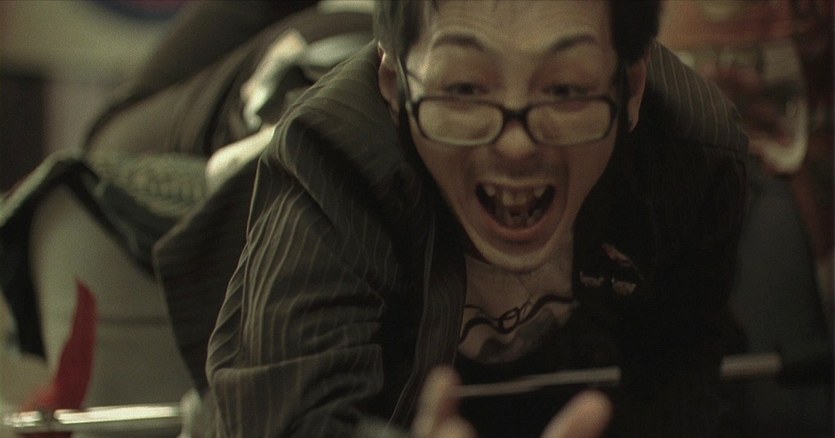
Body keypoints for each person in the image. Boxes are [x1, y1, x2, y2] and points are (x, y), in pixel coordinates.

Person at [203, 1, 748, 437]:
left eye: (564, 89)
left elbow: (682, 383)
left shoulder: (693, 151)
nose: (516, 146)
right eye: (465, 89)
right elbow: (285, 417)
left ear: (631, 86)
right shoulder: (336, 152)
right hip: (271, 72)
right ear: (393, 87)